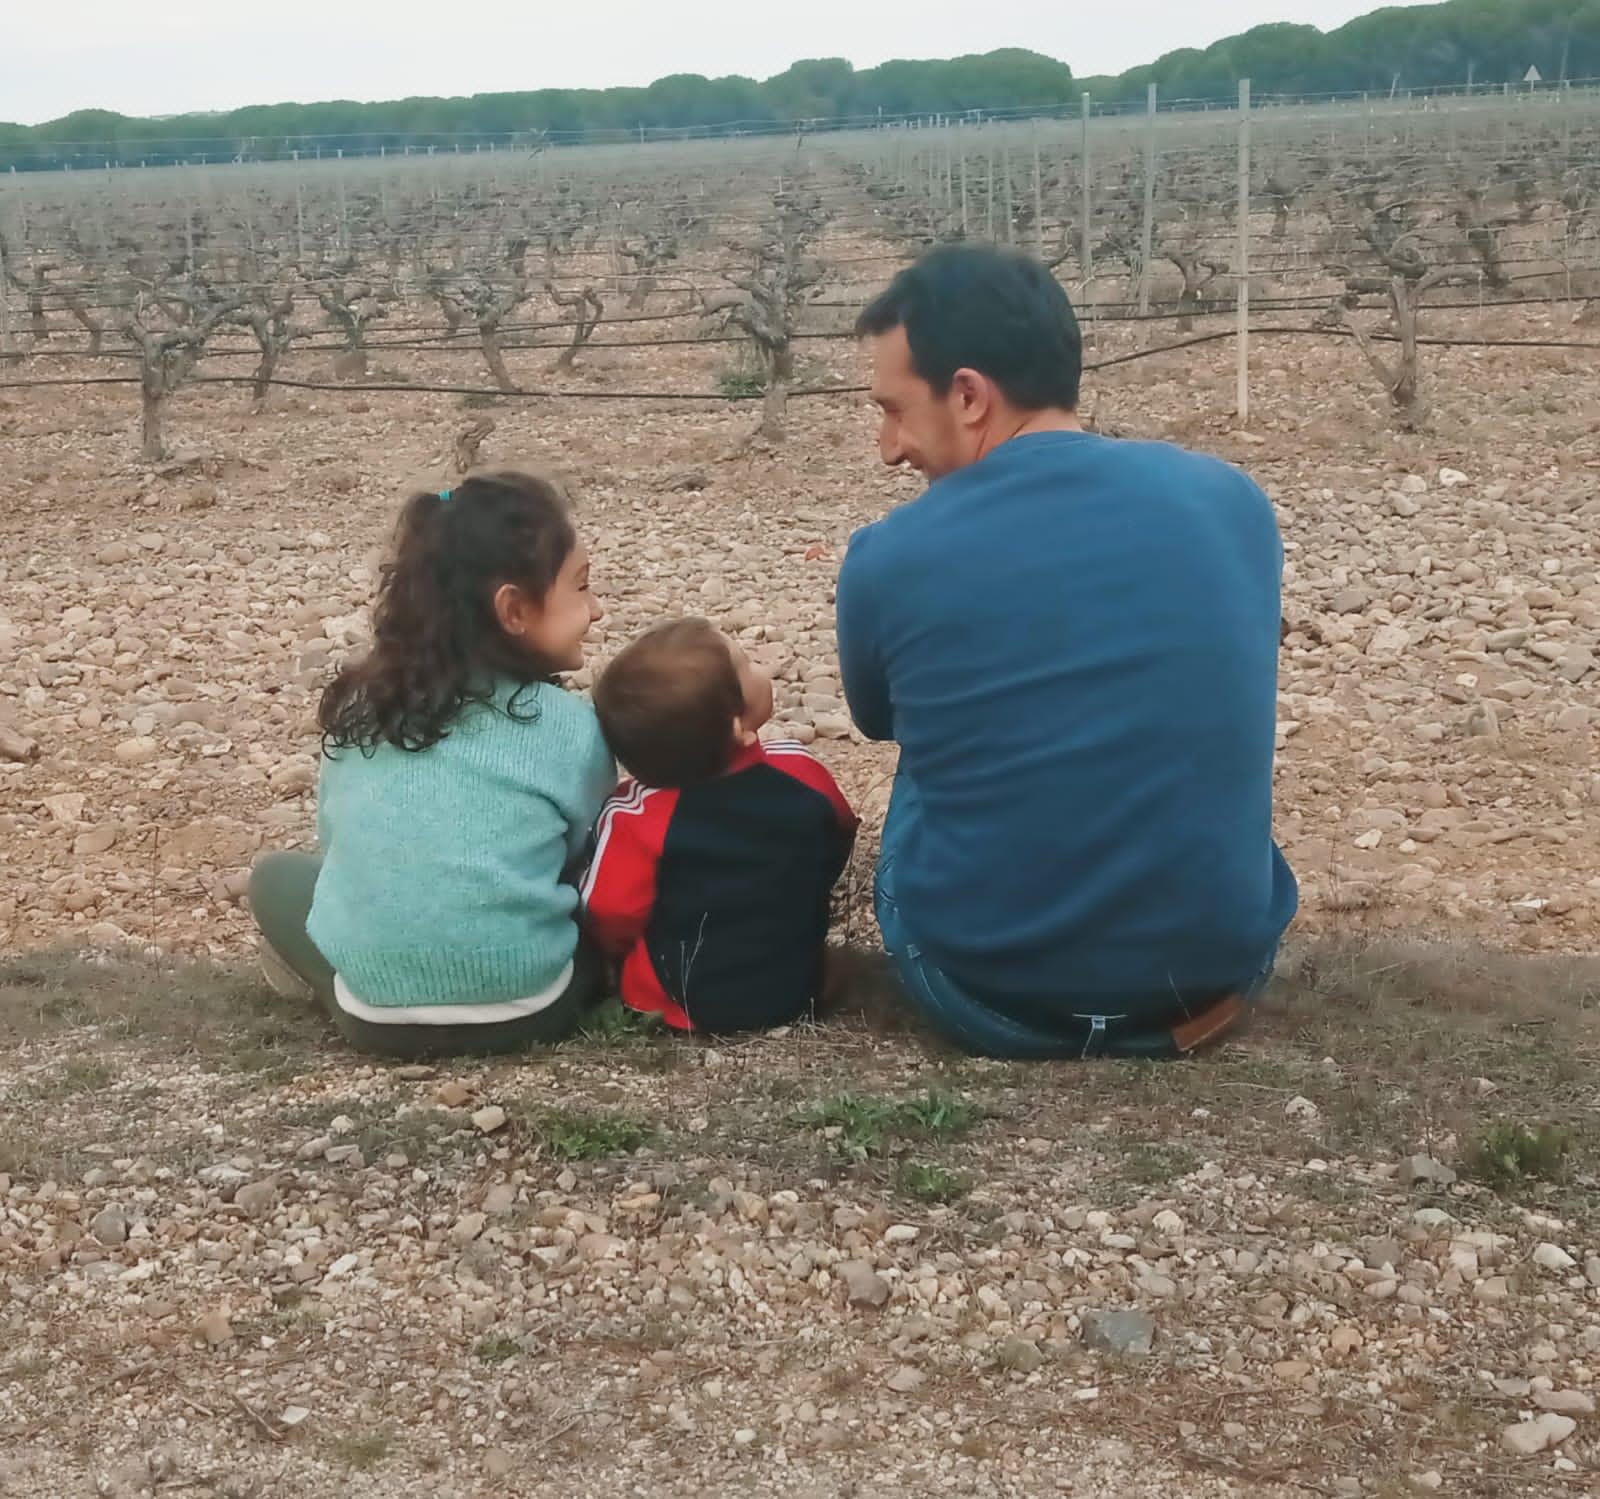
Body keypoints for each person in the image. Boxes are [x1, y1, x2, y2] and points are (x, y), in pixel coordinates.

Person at [837, 244, 1297, 1060]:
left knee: (928, 738)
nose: (887, 446)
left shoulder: (889, 554)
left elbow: (879, 722)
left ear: (970, 396)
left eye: (894, 409)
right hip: (1213, 984)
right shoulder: (1235, 501)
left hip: (987, 1000)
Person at [248, 471, 614, 1059]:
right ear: (514, 609)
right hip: (533, 1009)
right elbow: (589, 849)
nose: (595, 610)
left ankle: (345, 975)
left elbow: (337, 841)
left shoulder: (365, 711)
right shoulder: (569, 726)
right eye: (582, 588)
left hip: (374, 1021)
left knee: (273, 877)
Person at [582, 618, 857, 1034]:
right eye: (747, 666)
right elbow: (840, 834)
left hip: (675, 1001)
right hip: (796, 987)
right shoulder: (802, 774)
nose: (762, 671)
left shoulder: (636, 815)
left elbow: (608, 911)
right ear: (738, 727)